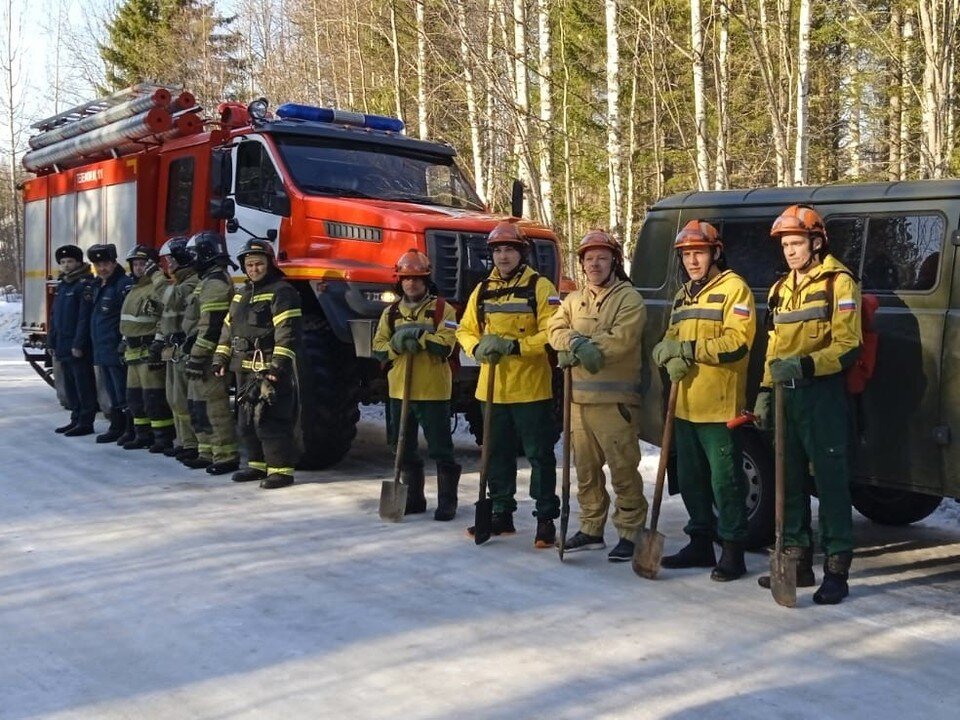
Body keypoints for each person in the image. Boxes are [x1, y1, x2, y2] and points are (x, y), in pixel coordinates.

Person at [753, 204, 862, 605]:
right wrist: (765, 390)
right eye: (785, 245)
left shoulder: (839, 283)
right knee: (789, 479)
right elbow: (773, 345)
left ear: (816, 243)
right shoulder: (781, 289)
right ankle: (796, 562)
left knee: (831, 483)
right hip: (786, 395)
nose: (791, 251)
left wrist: (805, 363)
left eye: (797, 243)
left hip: (822, 394)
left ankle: (837, 569)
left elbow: (849, 345)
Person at [651, 220, 756, 580]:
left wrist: (689, 349)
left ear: (715, 253)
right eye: (687, 255)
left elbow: (737, 345)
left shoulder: (734, 289)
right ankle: (700, 542)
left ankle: (732, 550)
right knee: (692, 479)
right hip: (684, 405)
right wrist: (664, 351)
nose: (692, 261)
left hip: (719, 406)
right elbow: (669, 335)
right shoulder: (684, 295)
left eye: (699, 253)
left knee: (725, 482)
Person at [456, 221, 561, 547]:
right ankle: (501, 512)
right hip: (493, 387)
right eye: (498, 250)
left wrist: (516, 346)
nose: (503, 256)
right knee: (495, 453)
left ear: (521, 253)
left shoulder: (540, 287)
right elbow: (464, 328)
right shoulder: (483, 289)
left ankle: (545, 519)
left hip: (531, 388)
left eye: (509, 250)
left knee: (539, 455)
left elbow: (552, 332)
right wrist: (476, 347)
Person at [547, 230, 647, 562]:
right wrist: (574, 343)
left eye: (602, 258)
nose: (595, 264)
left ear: (614, 261)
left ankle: (631, 532)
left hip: (615, 404)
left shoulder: (628, 298)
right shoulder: (574, 300)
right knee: (586, 471)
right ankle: (591, 529)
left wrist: (589, 345)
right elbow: (554, 329)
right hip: (578, 402)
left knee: (622, 469)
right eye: (589, 259)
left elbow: (623, 339)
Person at [372, 249, 460, 519]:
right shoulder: (390, 313)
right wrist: (397, 345)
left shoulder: (443, 309)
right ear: (399, 281)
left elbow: (447, 345)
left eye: (417, 278)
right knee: (402, 446)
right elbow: (378, 348)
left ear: (426, 279)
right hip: (399, 390)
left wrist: (420, 338)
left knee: (440, 447)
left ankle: (447, 501)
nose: (412, 284)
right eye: (407, 279)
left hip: (433, 390)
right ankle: (413, 498)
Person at [213, 238, 303, 489]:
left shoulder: (282, 292)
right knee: (245, 418)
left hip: (267, 369)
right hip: (242, 367)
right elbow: (227, 329)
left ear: (269, 264)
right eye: (250, 265)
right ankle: (256, 465)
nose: (254, 269)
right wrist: (220, 358)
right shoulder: (241, 295)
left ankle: (281, 471)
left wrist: (277, 366)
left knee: (270, 418)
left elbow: (287, 332)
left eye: (259, 264)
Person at [182, 231, 239, 474]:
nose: (191, 260)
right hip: (200, 354)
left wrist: (198, 356)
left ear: (205, 254)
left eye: (194, 254)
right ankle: (207, 452)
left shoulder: (215, 283)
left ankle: (225, 456)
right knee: (198, 406)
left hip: (209, 357)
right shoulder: (207, 280)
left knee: (214, 407)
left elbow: (212, 325)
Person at [119, 245, 175, 452]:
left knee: (154, 398)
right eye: (135, 264)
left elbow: (164, 318)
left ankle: (162, 437)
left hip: (148, 350)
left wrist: (158, 343)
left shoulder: (157, 287)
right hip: (132, 352)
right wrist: (124, 340)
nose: (139, 268)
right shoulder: (134, 288)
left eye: (143, 264)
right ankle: (141, 434)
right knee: (135, 398)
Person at [150, 236, 200, 460]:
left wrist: (157, 278)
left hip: (183, 350)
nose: (168, 265)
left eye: (171, 260)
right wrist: (159, 341)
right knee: (173, 399)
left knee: (183, 400)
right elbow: (165, 316)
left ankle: (193, 443)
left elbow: (172, 299)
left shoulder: (191, 282)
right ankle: (183, 441)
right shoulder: (179, 282)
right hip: (172, 350)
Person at [87, 243, 134, 444]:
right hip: (102, 349)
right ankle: (117, 426)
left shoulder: (122, 285)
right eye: (98, 264)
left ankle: (129, 429)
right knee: (112, 392)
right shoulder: (99, 285)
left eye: (105, 263)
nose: (102, 268)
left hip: (116, 348)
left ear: (115, 263)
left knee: (123, 392)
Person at [48, 244, 97, 436]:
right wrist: (51, 341)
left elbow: (84, 318)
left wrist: (78, 344)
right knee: (70, 385)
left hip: (77, 345)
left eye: (70, 261)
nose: (66, 265)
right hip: (62, 342)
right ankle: (75, 418)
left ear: (79, 262)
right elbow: (55, 316)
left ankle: (86, 421)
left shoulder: (84, 285)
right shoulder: (64, 285)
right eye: (63, 262)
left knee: (83, 383)